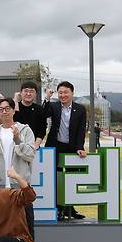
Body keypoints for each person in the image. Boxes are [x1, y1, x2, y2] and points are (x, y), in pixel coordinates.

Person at [43, 81, 87, 220]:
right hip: (55, 146)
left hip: (72, 148)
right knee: (55, 178)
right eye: (60, 92)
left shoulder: (80, 109)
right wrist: (47, 98)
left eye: (65, 92)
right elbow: (43, 114)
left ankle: (70, 208)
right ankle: (58, 208)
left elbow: (81, 131)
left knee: (70, 180)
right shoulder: (54, 106)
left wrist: (80, 147)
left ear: (72, 93)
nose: (63, 95)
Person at [0, 98, 36, 188]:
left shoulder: (25, 130)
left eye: (7, 109)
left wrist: (17, 139)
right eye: (1, 110)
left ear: (13, 111)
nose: (4, 112)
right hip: (0, 183)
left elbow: (30, 155)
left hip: (20, 183)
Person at [13, 81, 47, 150]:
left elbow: (42, 129)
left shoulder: (39, 109)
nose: (28, 94)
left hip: (33, 147)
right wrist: (15, 101)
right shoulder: (15, 107)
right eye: (26, 91)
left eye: (31, 91)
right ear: (21, 93)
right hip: (15, 145)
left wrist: (36, 145)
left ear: (35, 94)